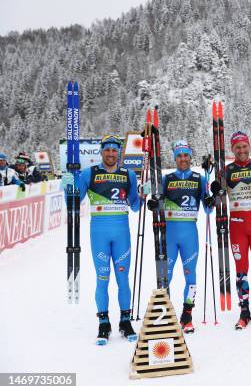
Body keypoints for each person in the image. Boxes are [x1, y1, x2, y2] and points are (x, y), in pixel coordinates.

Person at [61, 134, 140, 345]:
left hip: (122, 234)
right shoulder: (90, 173)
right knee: (102, 278)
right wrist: (69, 188)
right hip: (99, 234)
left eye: (114, 150)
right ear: (101, 151)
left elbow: (135, 206)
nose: (111, 153)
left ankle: (125, 320)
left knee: (123, 279)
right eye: (107, 150)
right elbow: (74, 205)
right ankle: (103, 323)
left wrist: (143, 194)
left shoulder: (128, 174)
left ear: (119, 153)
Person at [209, 131, 251, 330]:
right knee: (241, 271)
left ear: (249, 146)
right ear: (232, 149)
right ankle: (244, 312)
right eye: (237, 147)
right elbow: (216, 199)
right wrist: (214, 190)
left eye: (244, 146)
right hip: (237, 226)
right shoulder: (226, 171)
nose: (241, 150)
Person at [146, 141, 214, 333]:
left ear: (190, 157)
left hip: (189, 235)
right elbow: (157, 202)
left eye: (186, 155)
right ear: (174, 158)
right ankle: (165, 313)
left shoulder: (199, 179)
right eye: (179, 156)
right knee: (164, 276)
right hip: (169, 236)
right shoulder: (166, 179)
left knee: (190, 276)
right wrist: (153, 204)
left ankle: (188, 313)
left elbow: (208, 210)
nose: (183, 159)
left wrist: (211, 199)